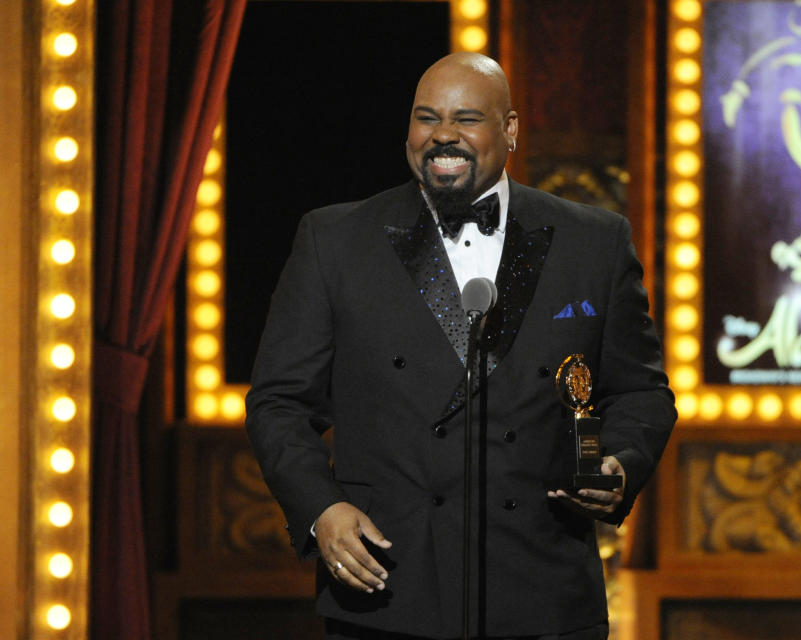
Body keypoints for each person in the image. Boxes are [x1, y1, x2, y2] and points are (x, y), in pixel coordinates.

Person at [245, 52, 676, 639]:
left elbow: (641, 392)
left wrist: (619, 465)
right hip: (389, 584)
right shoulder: (335, 240)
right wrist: (322, 509)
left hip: (542, 591)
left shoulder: (593, 242)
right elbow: (279, 402)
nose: (443, 135)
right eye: (427, 118)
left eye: (466, 118)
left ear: (511, 129)